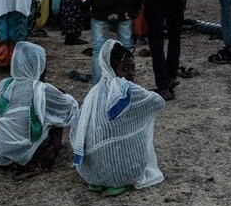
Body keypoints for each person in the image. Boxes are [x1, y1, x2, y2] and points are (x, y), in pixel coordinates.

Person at [70, 40, 165, 195]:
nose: (131, 73)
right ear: (111, 68)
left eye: (133, 68)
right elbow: (157, 102)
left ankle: (99, 181)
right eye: (124, 69)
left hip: (91, 172)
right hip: (121, 171)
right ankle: (121, 178)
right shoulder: (124, 88)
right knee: (137, 132)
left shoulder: (94, 92)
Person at [0, 41, 78, 180]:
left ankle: (15, 158)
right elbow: (69, 110)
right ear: (37, 67)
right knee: (56, 116)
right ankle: (36, 162)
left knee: (39, 113)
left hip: (1, 152)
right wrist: (62, 95)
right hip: (27, 154)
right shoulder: (41, 89)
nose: (45, 70)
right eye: (43, 66)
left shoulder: (5, 85)